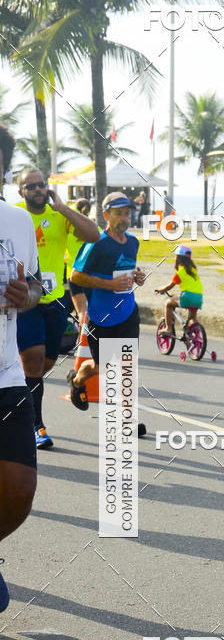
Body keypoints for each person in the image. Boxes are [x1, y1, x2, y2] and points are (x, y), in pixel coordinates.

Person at [16, 168, 99, 448]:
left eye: (41, 185)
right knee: (34, 361)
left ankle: (16, 383)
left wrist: (63, 207)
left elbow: (93, 234)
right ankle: (36, 426)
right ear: (21, 192)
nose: (38, 190)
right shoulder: (15, 215)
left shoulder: (59, 215)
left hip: (56, 301)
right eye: (31, 186)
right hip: (25, 300)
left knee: (45, 363)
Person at [0, 125, 43, 609]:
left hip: (6, 374)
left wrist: (24, 295)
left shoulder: (16, 221)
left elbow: (34, 285)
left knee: (19, 490)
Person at [66, 193, 145, 411]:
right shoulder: (96, 243)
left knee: (126, 366)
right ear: (105, 216)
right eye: (118, 214)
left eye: (127, 214)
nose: (124, 218)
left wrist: (137, 276)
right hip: (101, 316)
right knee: (102, 367)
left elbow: (124, 268)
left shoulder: (133, 242)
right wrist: (110, 284)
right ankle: (77, 380)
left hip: (127, 311)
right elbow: (75, 276)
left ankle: (125, 417)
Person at [154, 244, 203, 333]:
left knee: (168, 303)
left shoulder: (180, 273)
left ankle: (168, 328)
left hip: (187, 298)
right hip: (199, 298)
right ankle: (197, 333)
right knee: (193, 318)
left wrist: (161, 289)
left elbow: (169, 286)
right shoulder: (193, 270)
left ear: (179, 258)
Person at [66, 198, 95, 333]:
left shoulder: (69, 226)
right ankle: (89, 344)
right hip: (91, 275)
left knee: (82, 312)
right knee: (91, 311)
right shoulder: (92, 227)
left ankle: (82, 343)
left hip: (73, 274)